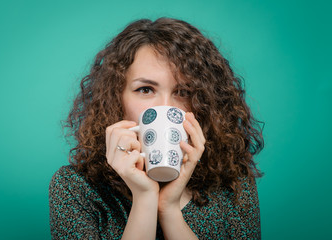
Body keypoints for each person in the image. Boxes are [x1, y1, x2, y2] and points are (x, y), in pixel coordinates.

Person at [49, 17, 264, 239]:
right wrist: (144, 198)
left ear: (203, 103)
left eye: (183, 92)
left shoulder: (234, 185)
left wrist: (169, 210)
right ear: (116, 98)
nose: (165, 107)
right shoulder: (74, 188)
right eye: (145, 89)